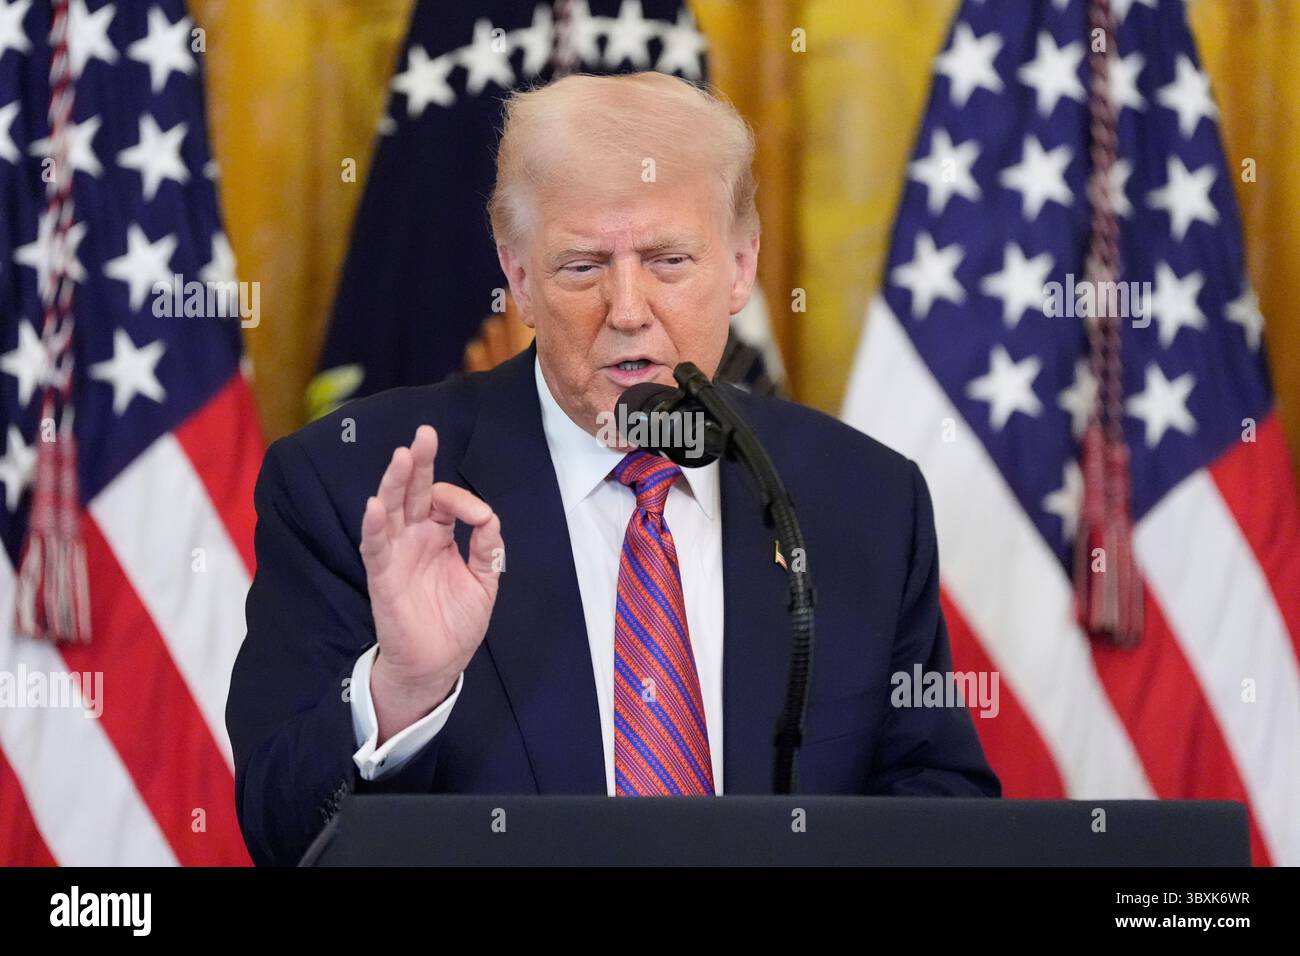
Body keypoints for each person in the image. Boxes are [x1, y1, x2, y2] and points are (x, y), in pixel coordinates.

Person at [226, 71, 999, 867]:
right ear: (519, 277)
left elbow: (937, 802)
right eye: (582, 267)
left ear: (740, 267)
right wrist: (400, 692)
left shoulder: (864, 499)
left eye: (669, 260)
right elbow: (282, 835)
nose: (627, 309)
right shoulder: (350, 489)